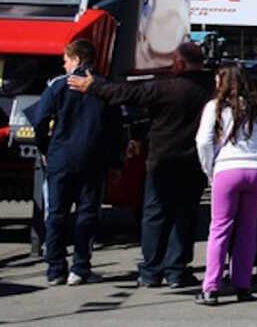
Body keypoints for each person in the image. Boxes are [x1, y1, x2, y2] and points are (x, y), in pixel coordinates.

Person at [68, 42, 212, 287]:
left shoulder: (166, 88)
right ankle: (176, 270)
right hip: (193, 162)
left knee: (155, 215)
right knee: (184, 216)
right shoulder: (210, 87)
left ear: (181, 63)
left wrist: (94, 87)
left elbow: (127, 93)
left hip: (162, 161)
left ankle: (151, 271)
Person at [26, 39, 117, 286]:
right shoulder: (105, 87)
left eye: (65, 59)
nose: (63, 64)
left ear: (76, 59)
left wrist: (44, 147)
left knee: (56, 213)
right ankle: (80, 267)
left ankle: (55, 269)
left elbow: (40, 120)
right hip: (93, 159)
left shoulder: (58, 85)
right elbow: (117, 127)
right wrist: (114, 160)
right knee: (87, 213)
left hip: (60, 157)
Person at [194, 65, 257, 306]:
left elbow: (203, 141)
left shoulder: (215, 107)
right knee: (247, 228)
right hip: (256, 170)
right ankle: (243, 285)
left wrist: (209, 169)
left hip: (227, 169)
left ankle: (211, 287)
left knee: (220, 229)